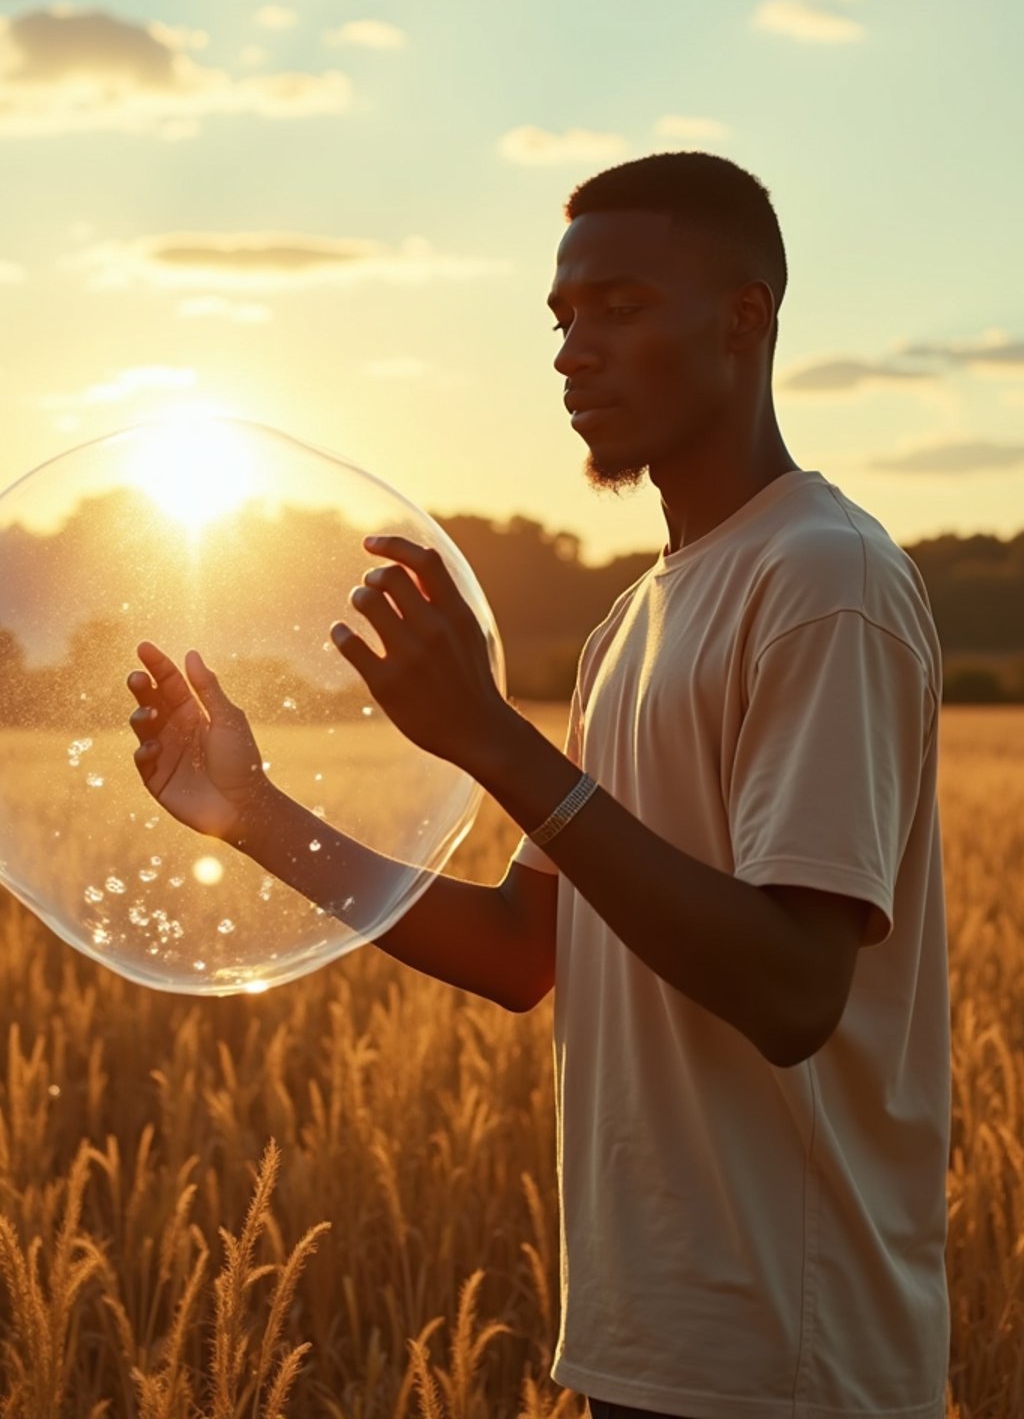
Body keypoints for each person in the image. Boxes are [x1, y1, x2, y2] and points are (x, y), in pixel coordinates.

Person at [126, 151, 951, 1419]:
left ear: (746, 318)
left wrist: (495, 742)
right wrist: (255, 815)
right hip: (647, 1343)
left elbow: (793, 992)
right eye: (561, 319)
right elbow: (523, 951)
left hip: (793, 1362)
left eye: (618, 307)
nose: (571, 353)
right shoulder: (634, 620)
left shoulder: (823, 581)